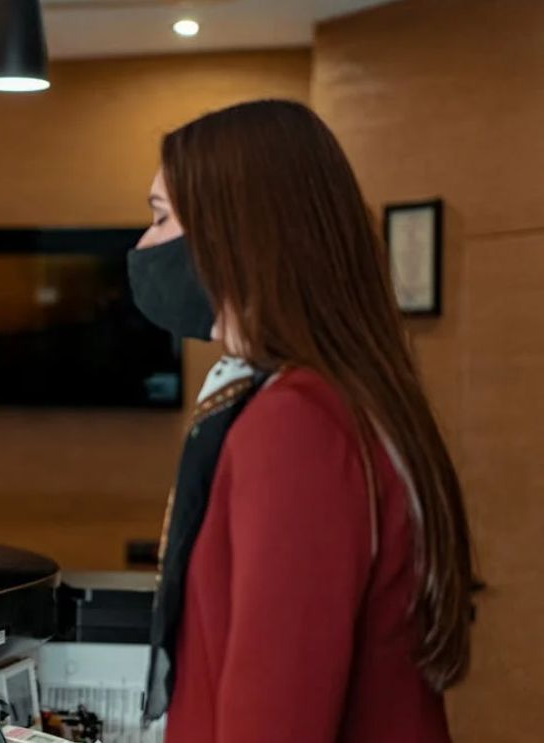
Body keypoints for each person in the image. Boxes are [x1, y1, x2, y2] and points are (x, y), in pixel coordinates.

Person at [129, 100, 474, 742]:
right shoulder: (340, 397)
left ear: (235, 233)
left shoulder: (295, 426)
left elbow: (274, 720)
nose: (144, 245)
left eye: (161, 217)